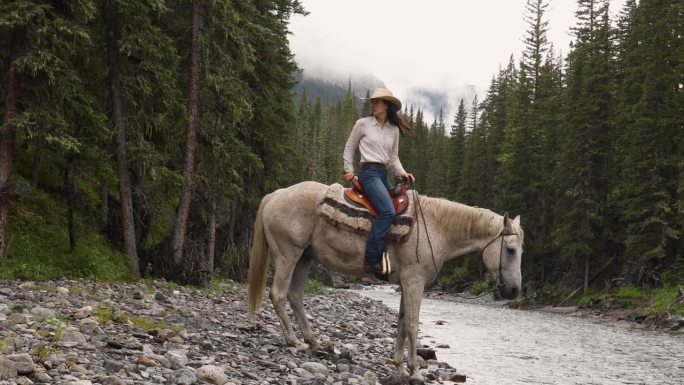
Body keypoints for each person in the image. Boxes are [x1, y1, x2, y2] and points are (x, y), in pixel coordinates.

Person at [343, 88, 415, 275]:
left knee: (400, 209)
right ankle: (371, 259)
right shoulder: (363, 124)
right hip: (368, 173)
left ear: (386, 105)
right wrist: (349, 170)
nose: (373, 104)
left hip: (383, 175)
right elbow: (350, 148)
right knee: (387, 212)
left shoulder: (393, 130)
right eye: (372, 102)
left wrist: (403, 173)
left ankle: (390, 255)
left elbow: (393, 158)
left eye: (377, 102)